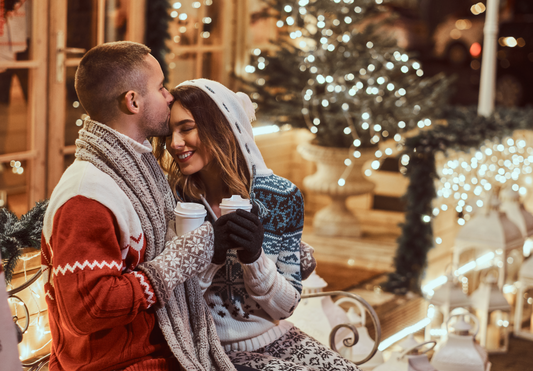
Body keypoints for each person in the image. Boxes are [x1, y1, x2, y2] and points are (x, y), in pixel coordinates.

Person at [40, 42, 236, 371]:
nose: (169, 96)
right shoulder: (86, 196)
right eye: (160, 87)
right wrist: (178, 261)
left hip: (165, 349)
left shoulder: (140, 172)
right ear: (133, 101)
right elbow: (87, 309)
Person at [154, 78, 358, 371]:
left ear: (221, 126)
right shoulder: (174, 201)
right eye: (168, 134)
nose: (174, 144)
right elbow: (176, 303)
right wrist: (211, 253)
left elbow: (285, 306)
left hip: (276, 337)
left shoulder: (279, 196)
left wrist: (254, 257)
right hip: (210, 350)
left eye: (186, 129)